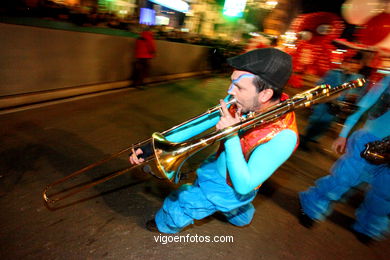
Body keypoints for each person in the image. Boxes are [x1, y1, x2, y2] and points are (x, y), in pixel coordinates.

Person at [129, 48, 299, 233]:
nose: (230, 91)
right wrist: (153, 147)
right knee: (234, 207)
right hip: (217, 164)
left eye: (239, 87)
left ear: (265, 94)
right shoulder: (241, 100)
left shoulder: (285, 136)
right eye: (232, 82)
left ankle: (165, 224)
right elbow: (197, 125)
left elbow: (243, 185)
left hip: (230, 187)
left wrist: (231, 135)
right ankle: (240, 213)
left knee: (185, 202)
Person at [298, 75, 390, 244]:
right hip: (368, 141)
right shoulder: (389, 80)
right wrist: (343, 135)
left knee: (385, 194)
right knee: (342, 179)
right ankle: (311, 206)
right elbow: (362, 107)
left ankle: (369, 227)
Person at [300, 52, 366, 150]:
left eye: (355, 63)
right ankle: (304, 140)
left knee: (326, 124)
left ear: (359, 65)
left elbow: (359, 93)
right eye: (349, 62)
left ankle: (311, 138)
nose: (352, 65)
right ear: (344, 63)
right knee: (316, 121)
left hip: (337, 107)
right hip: (325, 103)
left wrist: (352, 99)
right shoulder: (334, 73)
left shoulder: (358, 78)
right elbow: (320, 85)